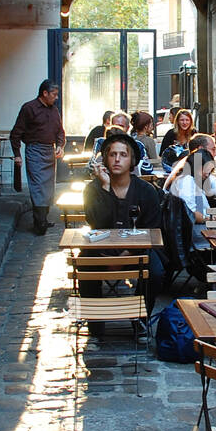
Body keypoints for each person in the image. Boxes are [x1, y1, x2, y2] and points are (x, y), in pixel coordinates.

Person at [83, 131, 165, 306]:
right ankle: (94, 316)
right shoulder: (93, 189)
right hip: (100, 250)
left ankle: (140, 315)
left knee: (156, 273)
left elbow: (152, 229)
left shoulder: (146, 190)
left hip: (138, 250)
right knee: (83, 266)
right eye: (112, 154)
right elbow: (97, 222)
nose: (117, 159)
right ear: (105, 159)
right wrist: (105, 188)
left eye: (123, 155)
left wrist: (126, 255)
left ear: (132, 160)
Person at [165, 135, 216, 251]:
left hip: (197, 232)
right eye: (213, 149)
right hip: (198, 237)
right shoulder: (187, 181)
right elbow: (189, 214)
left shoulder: (190, 174)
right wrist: (212, 218)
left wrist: (213, 216)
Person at [10, 79, 66, 235]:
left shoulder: (54, 110)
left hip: (49, 150)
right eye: (54, 94)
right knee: (38, 187)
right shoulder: (29, 108)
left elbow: (60, 131)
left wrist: (60, 146)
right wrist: (17, 154)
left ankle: (42, 219)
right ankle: (40, 222)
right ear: (45, 93)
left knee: (48, 188)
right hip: (34, 150)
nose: (56, 98)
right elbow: (16, 133)